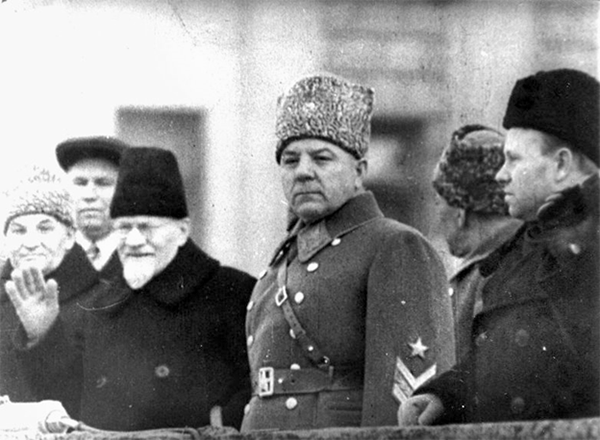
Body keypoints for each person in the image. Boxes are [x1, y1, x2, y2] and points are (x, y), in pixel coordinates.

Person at [241, 73, 455, 431]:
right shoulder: (282, 261)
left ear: (359, 171)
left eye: (322, 158)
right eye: (290, 160)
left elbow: (405, 396)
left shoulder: (394, 246)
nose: (303, 172)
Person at [399, 68, 600, 426]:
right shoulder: (525, 250)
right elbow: (507, 362)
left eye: (514, 159)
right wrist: (444, 396)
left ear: (561, 164)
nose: (500, 174)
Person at [6, 147, 256, 431]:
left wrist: (217, 427)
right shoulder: (101, 305)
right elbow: (70, 403)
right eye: (124, 227)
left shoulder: (232, 293)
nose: (134, 240)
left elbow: (256, 394)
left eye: (146, 227)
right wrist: (44, 334)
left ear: (183, 230)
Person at [0, 166, 102, 419]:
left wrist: (44, 336)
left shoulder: (103, 300)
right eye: (19, 230)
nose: (30, 243)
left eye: (44, 228)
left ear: (69, 237)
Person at [432, 124, 522, 363]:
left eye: (438, 202)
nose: (437, 217)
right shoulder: (530, 257)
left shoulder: (487, 277)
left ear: (460, 212)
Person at [55, 136, 128, 279]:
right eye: (80, 183)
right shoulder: (50, 255)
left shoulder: (141, 255)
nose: (89, 195)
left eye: (103, 183)